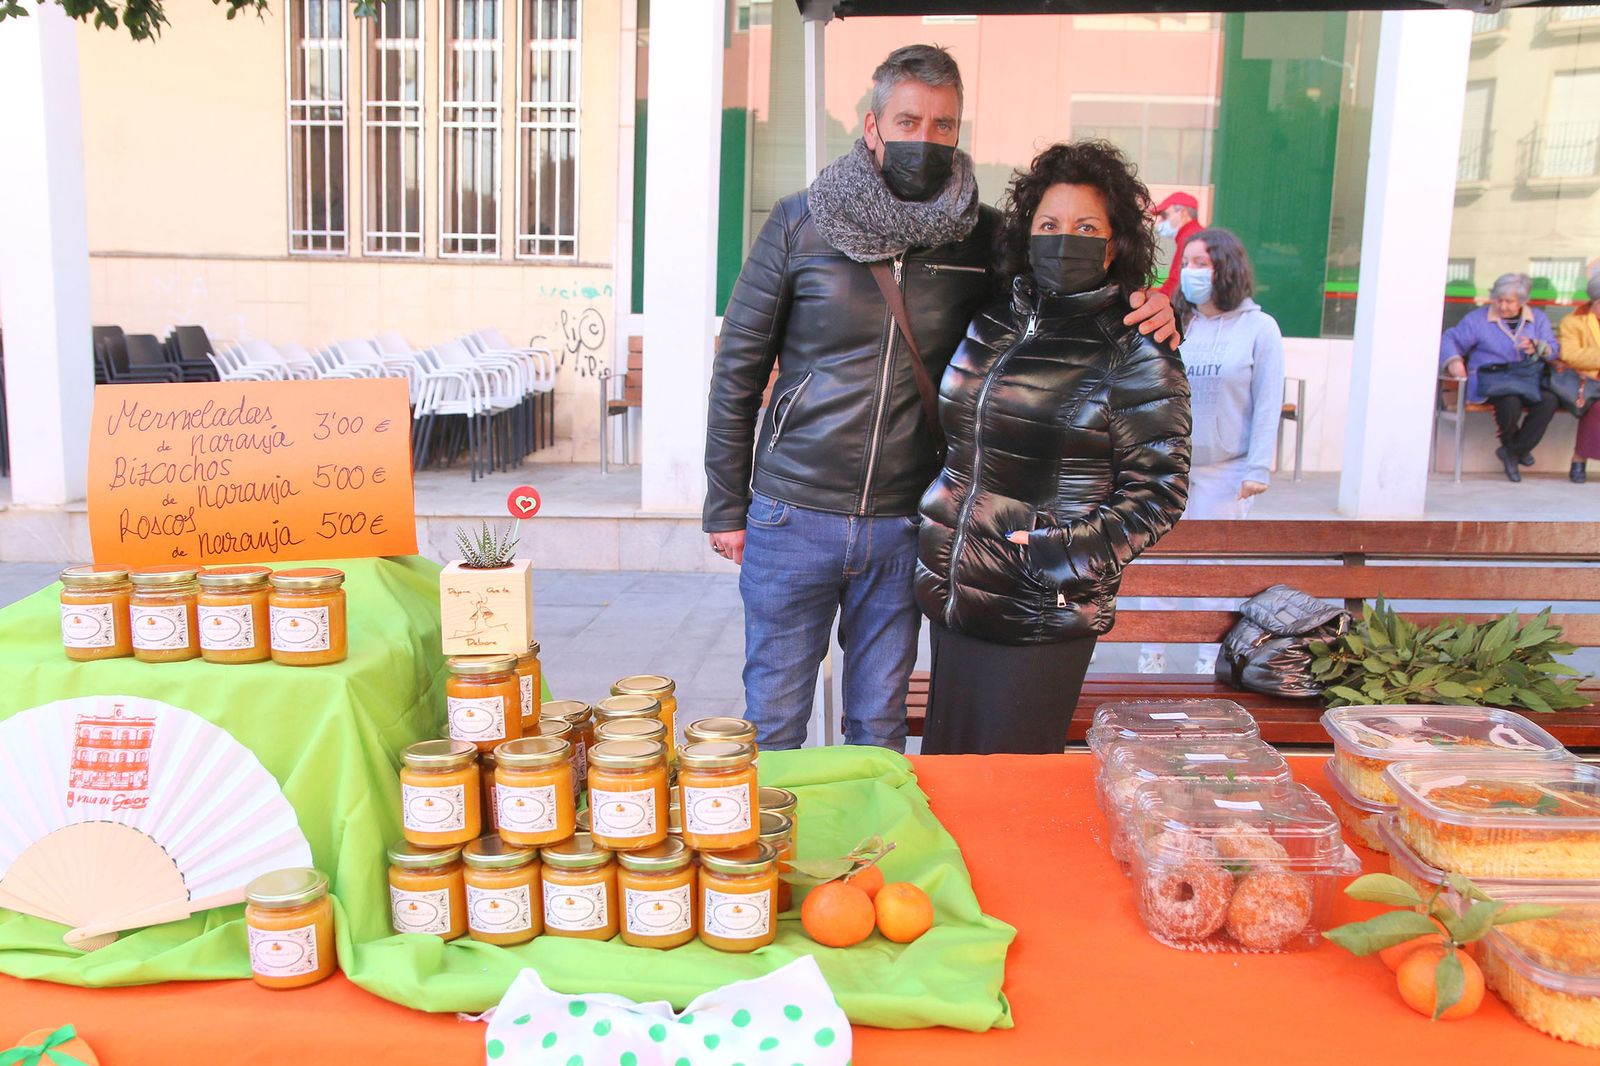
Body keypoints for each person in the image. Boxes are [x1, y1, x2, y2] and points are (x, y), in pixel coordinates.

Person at [702, 46, 1179, 752]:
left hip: (905, 523)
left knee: (878, 727)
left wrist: (1160, 307)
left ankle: (871, 829)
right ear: (872, 126)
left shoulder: (984, 237)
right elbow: (738, 369)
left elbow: (1061, 304)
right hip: (792, 512)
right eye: (908, 121)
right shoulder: (801, 223)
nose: (924, 138)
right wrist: (725, 504)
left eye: (943, 125)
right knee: (772, 724)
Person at [914, 141, 1192, 754]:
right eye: (1049, 224)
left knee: (1010, 791)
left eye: (1086, 227)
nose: (1065, 239)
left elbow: (1160, 491)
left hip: (1039, 609)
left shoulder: (1135, 347)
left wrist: (1053, 554)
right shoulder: (995, 319)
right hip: (958, 595)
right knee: (952, 783)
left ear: (1114, 245)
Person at [1135, 227, 1284, 676]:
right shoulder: (1180, 323)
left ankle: (1208, 656)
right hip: (1171, 468)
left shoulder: (1260, 328)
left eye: (1201, 263)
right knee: (1162, 558)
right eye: (1187, 263)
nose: (1191, 272)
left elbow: (1268, 402)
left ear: (1226, 268)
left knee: (1213, 567)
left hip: (1227, 471)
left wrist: (1257, 469)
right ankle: (1152, 652)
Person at [1440, 272, 1560, 483]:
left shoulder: (1537, 319)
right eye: (1498, 300)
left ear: (1522, 301)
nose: (1502, 306)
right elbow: (1450, 339)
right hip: (1491, 380)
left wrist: (1538, 347)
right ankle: (1516, 450)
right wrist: (1454, 362)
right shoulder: (1478, 319)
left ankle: (1512, 451)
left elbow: (1553, 348)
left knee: (1549, 401)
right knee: (1510, 401)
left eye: (1509, 301)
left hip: (1526, 379)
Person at [1558, 271, 1600, 483]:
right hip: (1588, 380)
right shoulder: (1573, 321)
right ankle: (1579, 459)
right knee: (1596, 406)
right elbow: (1570, 355)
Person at [1153, 192, 1203, 298]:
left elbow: (1176, 283)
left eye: (1165, 215)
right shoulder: (1196, 234)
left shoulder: (1190, 238)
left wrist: (1156, 298)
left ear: (1184, 213)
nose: (1159, 222)